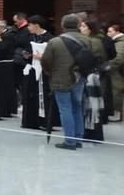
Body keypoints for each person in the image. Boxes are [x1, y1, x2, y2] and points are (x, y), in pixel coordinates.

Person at [39, 14, 93, 150]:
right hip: (79, 77)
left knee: (65, 109)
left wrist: (50, 72)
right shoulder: (87, 40)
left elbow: (46, 61)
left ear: (62, 25)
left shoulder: (55, 42)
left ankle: (69, 141)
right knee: (77, 108)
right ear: (78, 25)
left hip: (60, 78)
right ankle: (78, 138)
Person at [18, 15, 53, 131]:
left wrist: (42, 57)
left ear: (37, 25)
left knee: (43, 95)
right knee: (29, 94)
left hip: (44, 71)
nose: (28, 27)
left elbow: (52, 55)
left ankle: (44, 121)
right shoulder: (30, 37)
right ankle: (30, 121)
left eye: (30, 25)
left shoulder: (49, 38)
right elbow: (25, 49)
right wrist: (26, 55)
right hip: (32, 68)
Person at [79, 17, 107, 141]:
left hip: (91, 75)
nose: (81, 28)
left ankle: (92, 132)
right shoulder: (89, 40)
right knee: (89, 104)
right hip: (90, 74)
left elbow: (94, 58)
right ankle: (89, 130)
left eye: (84, 26)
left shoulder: (94, 41)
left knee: (92, 104)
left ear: (90, 29)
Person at [109, 22, 124, 123]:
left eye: (110, 31)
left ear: (117, 32)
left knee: (116, 91)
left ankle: (117, 114)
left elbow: (119, 58)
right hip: (119, 70)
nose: (108, 33)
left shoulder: (120, 43)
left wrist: (108, 66)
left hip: (118, 71)